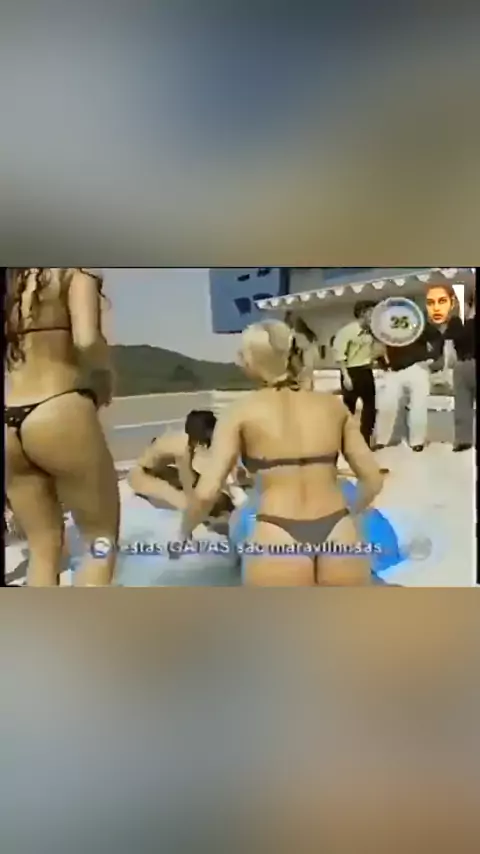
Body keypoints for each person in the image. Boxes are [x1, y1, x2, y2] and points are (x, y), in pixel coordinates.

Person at [180, 320, 385, 586]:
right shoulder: (332, 406)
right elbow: (372, 479)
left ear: (251, 360)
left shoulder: (239, 412)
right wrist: (353, 512)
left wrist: (185, 530)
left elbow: (206, 493)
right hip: (339, 529)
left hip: (277, 533)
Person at [4, 268, 119, 586]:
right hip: (58, 408)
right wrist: (105, 373)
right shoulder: (73, 271)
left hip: (9, 420)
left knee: (42, 549)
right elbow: (87, 340)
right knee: (100, 542)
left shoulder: (11, 283)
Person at [128, 409, 248, 521]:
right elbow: (190, 480)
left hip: (161, 469)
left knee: (210, 494)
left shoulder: (193, 443)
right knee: (191, 503)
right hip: (143, 475)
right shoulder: (184, 447)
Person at [374, 308, 444, 452]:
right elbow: (380, 347)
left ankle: (417, 441)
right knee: (387, 404)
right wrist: (384, 365)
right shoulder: (386, 327)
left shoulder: (417, 324)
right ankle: (381, 440)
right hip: (393, 369)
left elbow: (437, 338)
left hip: (416, 367)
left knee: (419, 405)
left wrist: (431, 358)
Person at [333, 301, 379, 447]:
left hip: (366, 370)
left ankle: (366, 439)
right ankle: (344, 440)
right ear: (363, 314)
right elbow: (340, 355)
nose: (374, 317)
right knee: (349, 408)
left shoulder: (371, 332)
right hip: (351, 371)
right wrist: (346, 377)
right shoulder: (347, 331)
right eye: (371, 313)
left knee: (370, 407)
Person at [444, 288, 476, 451]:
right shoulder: (456, 322)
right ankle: (463, 440)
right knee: (462, 404)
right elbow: (448, 344)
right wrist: (449, 365)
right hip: (461, 364)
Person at [284, 312, 321, 389]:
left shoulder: (298, 336)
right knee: (308, 379)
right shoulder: (309, 336)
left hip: (303, 364)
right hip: (308, 363)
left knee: (304, 381)